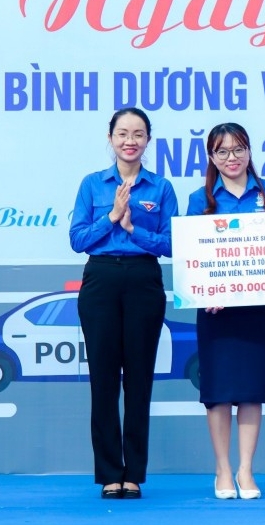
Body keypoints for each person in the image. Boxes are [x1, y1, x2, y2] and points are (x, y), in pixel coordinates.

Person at [69, 107, 178, 500]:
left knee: (138, 379)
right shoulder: (92, 184)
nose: (130, 141)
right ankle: (108, 473)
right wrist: (112, 217)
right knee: (102, 380)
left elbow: (173, 243)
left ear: (148, 139)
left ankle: (133, 473)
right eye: (122, 133)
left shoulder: (160, 187)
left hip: (143, 280)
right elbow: (78, 240)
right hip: (101, 280)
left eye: (138, 134)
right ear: (110, 137)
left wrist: (134, 229)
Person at [185, 123, 265, 500]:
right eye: (223, 151)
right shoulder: (200, 199)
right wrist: (205, 287)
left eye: (239, 149)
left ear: (249, 151)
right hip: (217, 311)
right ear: (212, 157)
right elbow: (190, 254)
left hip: (259, 308)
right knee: (219, 392)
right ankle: (222, 470)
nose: (232, 158)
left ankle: (245, 469)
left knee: (251, 390)